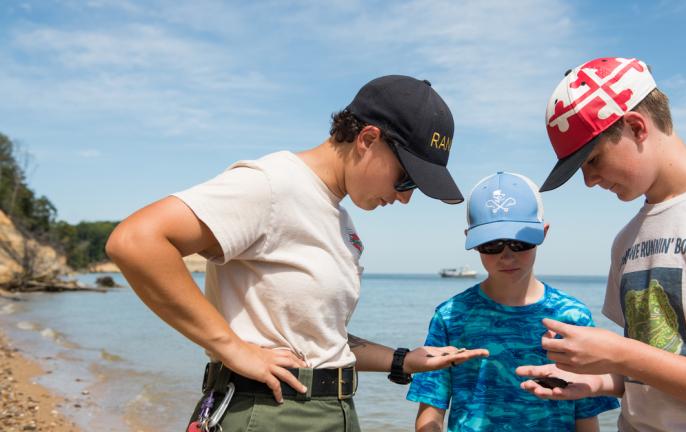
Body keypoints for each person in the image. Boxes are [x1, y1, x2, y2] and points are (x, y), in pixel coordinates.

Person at [105, 75, 489, 432]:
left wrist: (401, 360)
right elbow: (137, 241)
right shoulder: (272, 185)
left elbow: (316, 340)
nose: (404, 198)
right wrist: (230, 347)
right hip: (270, 411)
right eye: (406, 179)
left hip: (333, 411)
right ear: (368, 139)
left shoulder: (341, 223)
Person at [516, 57, 686, 431]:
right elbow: (655, 373)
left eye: (593, 160)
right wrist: (599, 381)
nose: (589, 181)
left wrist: (623, 354)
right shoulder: (626, 240)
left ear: (636, 127)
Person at [407, 171, 619, 431]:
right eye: (492, 245)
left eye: (519, 243)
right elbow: (431, 409)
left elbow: (586, 415)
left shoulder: (572, 317)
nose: (507, 257)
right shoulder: (450, 316)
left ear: (543, 233)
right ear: (471, 239)